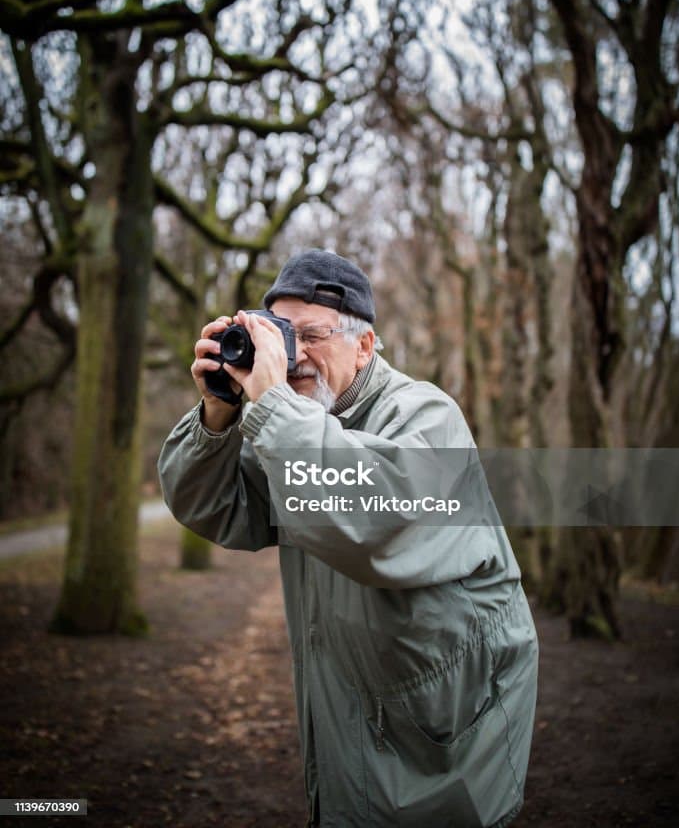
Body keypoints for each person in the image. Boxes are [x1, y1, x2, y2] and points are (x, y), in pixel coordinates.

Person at [158, 249, 538, 828]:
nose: (297, 357)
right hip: (348, 723)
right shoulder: (291, 420)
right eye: (284, 338)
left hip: (442, 746)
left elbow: (368, 521)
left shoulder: (426, 415)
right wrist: (218, 411)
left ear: (364, 345)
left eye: (314, 335)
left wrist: (273, 408)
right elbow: (214, 506)